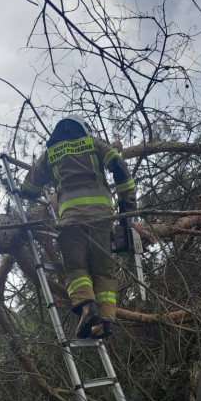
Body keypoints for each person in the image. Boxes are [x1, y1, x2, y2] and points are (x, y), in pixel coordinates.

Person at [20, 115, 137, 339]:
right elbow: (120, 167)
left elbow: (29, 188)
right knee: (103, 270)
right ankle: (106, 321)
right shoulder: (95, 144)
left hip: (72, 221)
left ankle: (86, 306)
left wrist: (30, 190)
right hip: (102, 219)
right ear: (84, 129)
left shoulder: (50, 154)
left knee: (75, 268)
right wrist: (127, 207)